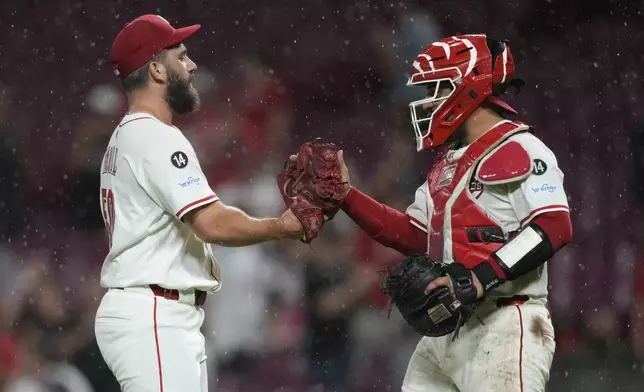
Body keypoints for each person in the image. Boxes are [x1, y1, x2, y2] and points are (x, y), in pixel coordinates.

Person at [336, 34, 573, 391]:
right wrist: (346, 197)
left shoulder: (521, 148)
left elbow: (554, 226)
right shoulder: (446, 163)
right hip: (448, 325)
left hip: (505, 321)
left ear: (467, 87)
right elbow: (415, 235)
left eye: (436, 90)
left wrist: (479, 278)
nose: (427, 103)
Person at [93, 14, 303, 392]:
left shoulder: (128, 136)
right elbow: (212, 223)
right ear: (157, 69)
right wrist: (282, 226)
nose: (191, 65)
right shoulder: (155, 137)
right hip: (153, 313)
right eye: (182, 55)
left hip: (152, 312)